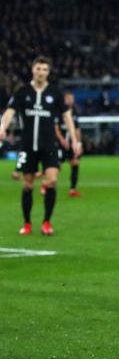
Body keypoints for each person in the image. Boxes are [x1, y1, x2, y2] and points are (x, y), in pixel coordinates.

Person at [0, 57, 81, 235]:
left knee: (52, 180)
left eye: (44, 69)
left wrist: (74, 139)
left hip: (49, 145)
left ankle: (46, 222)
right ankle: (27, 223)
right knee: (28, 184)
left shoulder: (55, 93)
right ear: (33, 70)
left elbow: (67, 116)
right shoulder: (22, 92)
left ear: (48, 72)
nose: (41, 72)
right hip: (28, 145)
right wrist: (2, 127)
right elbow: (9, 112)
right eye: (38, 69)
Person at [53, 91, 83, 197]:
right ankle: (46, 184)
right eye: (68, 98)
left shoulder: (75, 112)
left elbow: (77, 129)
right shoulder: (59, 111)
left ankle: (72, 189)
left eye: (72, 98)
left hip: (71, 144)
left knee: (75, 163)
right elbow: (56, 128)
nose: (70, 100)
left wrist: (78, 143)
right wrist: (62, 140)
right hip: (60, 144)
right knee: (56, 166)